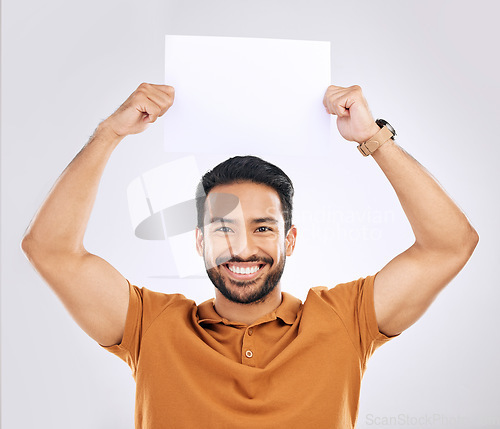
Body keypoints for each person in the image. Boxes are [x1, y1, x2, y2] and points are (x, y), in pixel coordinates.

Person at [21, 83, 478, 428]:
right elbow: (51, 250)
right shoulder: (150, 327)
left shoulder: (343, 320)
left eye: (263, 228)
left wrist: (374, 138)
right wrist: (110, 132)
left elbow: (450, 245)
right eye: (223, 229)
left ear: (290, 240)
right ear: (199, 241)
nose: (243, 248)